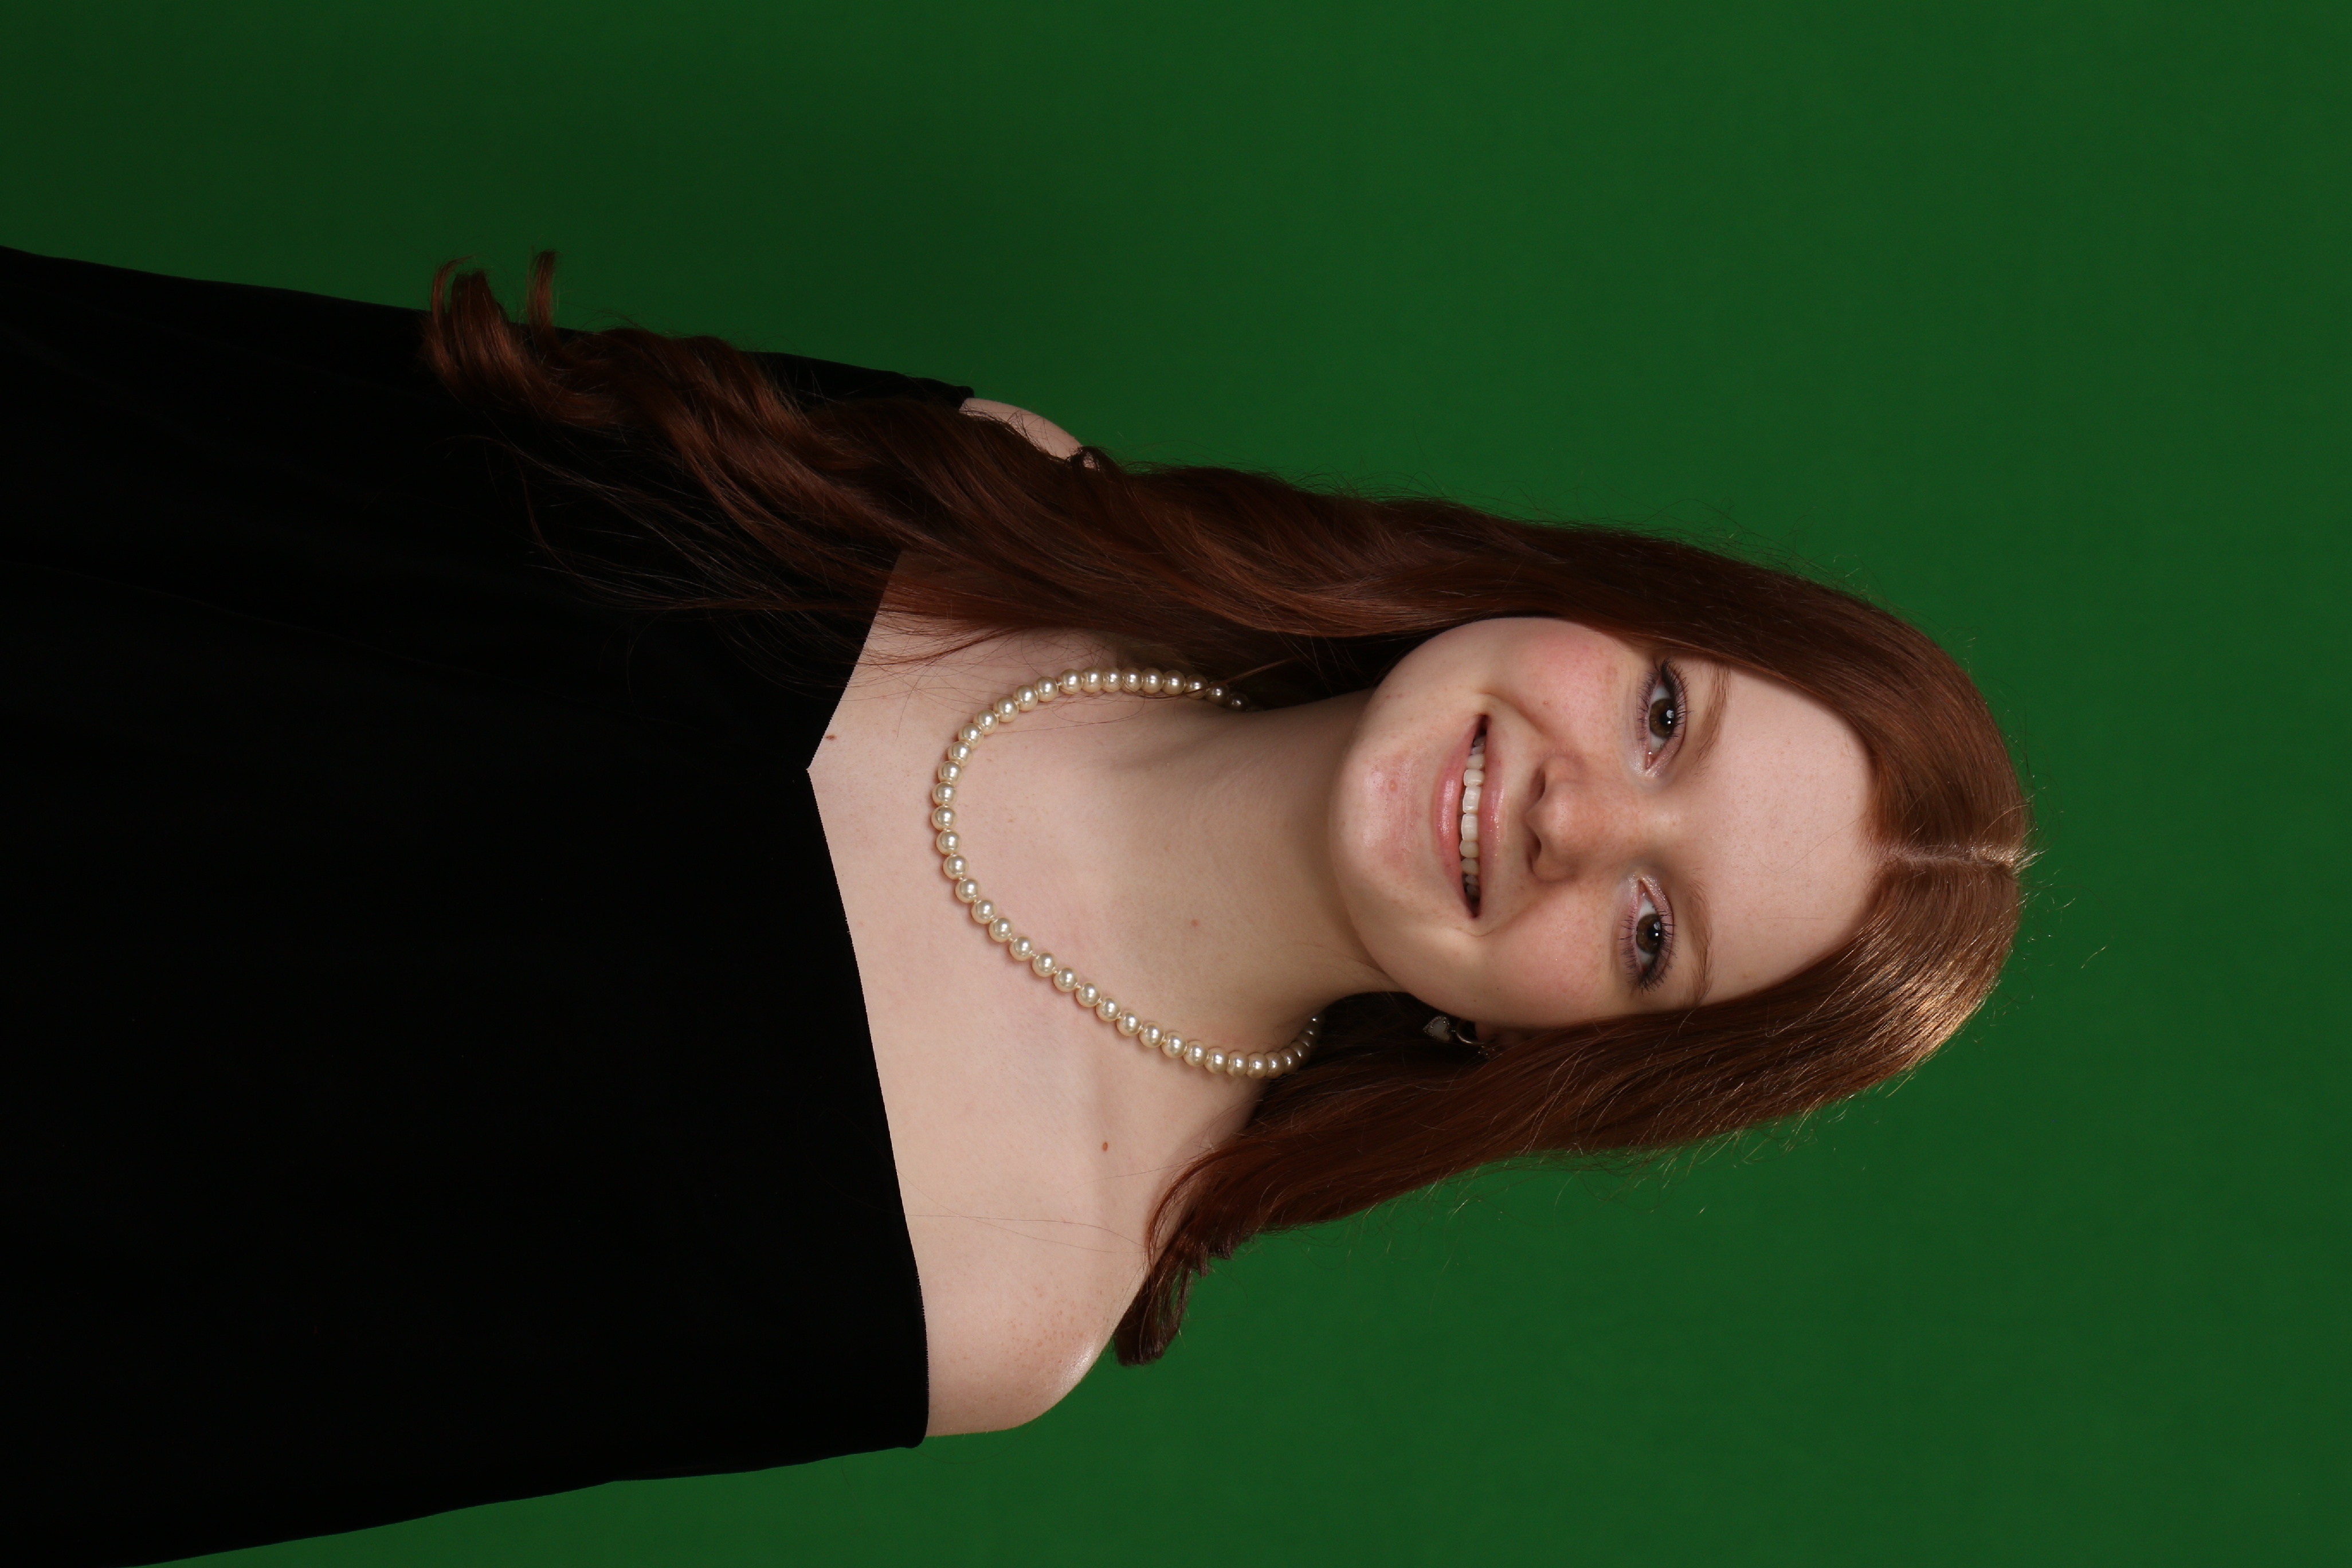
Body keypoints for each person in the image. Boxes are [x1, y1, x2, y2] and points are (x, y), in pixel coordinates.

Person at [2, 246, 2028, 1567]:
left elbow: (187, 1400)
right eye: (1665, 713)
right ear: (1599, 598)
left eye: (1655, 933)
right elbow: (179, 424)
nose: (1583, 817)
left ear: (1567, 1053)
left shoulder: (1012, 1294)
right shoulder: (1011, 491)